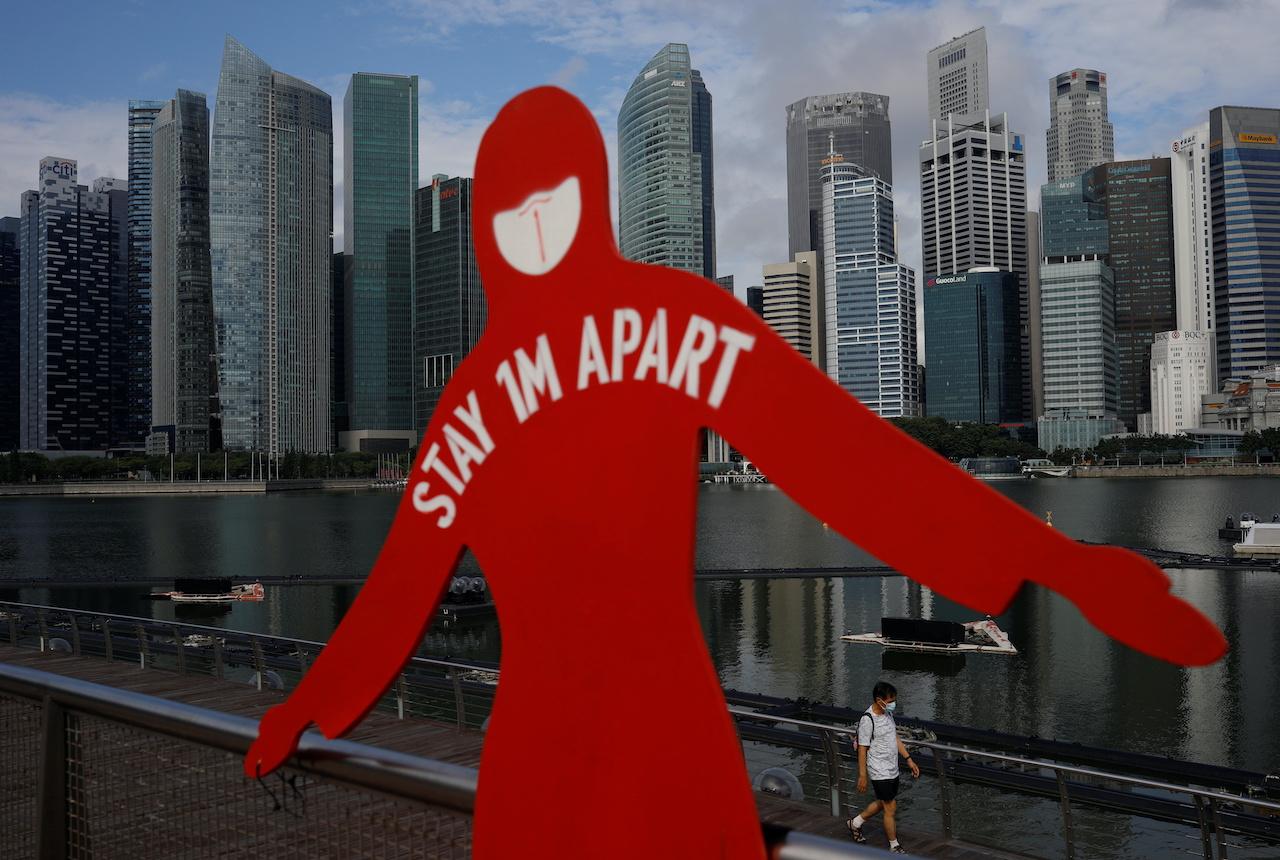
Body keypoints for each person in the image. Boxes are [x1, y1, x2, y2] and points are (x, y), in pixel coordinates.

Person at [244, 86, 1226, 860]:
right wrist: (298, 708)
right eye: (514, 213)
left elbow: (852, 464)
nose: (538, 229)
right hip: (540, 774)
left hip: (662, 754)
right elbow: (392, 595)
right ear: (485, 231)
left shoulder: (661, 326)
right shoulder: (477, 399)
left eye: (557, 203)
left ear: (592, 201)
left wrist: (1057, 563)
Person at [848, 681, 919, 854]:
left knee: (884, 802)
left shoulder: (888, 714)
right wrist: (862, 775)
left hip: (892, 767)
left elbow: (895, 738)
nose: (893, 704)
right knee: (890, 806)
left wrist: (908, 759)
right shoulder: (868, 719)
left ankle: (855, 823)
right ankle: (894, 845)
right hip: (878, 769)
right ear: (880, 700)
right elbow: (863, 749)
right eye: (891, 700)